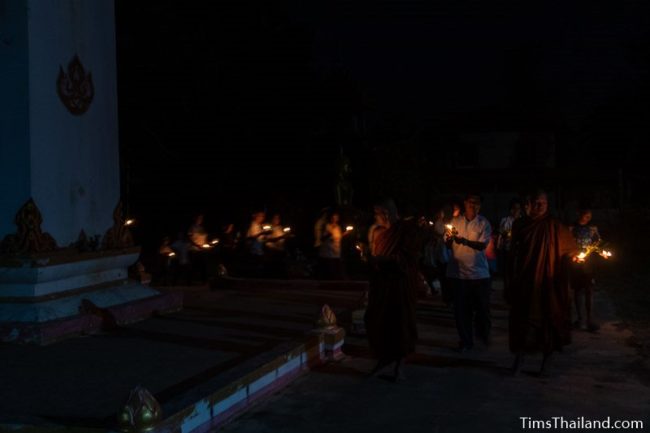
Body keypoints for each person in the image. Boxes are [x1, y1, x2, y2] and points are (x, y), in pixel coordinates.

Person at [505, 190, 579, 376]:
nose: (539, 206)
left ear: (547, 205)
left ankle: (546, 360)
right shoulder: (520, 225)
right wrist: (510, 279)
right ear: (529, 203)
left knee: (548, 319)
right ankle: (519, 359)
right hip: (525, 281)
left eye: (542, 203)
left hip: (548, 282)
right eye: (536, 203)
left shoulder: (554, 226)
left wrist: (574, 258)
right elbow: (512, 253)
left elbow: (570, 250)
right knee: (523, 320)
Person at [364, 199, 421, 381]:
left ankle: (399, 363)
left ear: (387, 214)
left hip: (400, 285)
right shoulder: (378, 233)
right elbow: (376, 255)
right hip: (382, 285)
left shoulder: (406, 230)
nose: (375, 217)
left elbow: (408, 258)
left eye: (377, 213)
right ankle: (383, 359)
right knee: (375, 318)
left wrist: (384, 260)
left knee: (400, 322)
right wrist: (370, 259)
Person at [445, 194, 493, 353]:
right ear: (465, 203)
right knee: (461, 311)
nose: (474, 205)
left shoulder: (483, 223)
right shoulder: (455, 221)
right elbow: (447, 243)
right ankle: (466, 341)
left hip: (479, 275)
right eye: (471, 202)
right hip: (458, 274)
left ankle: (483, 335)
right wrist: (449, 239)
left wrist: (464, 241)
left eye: (477, 203)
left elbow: (482, 246)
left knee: (482, 310)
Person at [569, 208, 601, 332]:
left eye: (589, 216)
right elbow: (567, 244)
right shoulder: (571, 228)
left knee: (589, 290)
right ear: (579, 214)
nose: (587, 218)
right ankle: (580, 319)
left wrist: (599, 249)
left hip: (589, 264)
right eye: (585, 215)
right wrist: (573, 255)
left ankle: (590, 320)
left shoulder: (592, 229)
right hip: (576, 263)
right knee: (577, 290)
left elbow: (598, 243)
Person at [317, 210, 349, 279]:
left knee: (337, 270)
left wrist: (345, 233)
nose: (335, 219)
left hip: (336, 252)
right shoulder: (327, 226)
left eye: (336, 217)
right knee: (330, 271)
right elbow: (322, 238)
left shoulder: (338, 227)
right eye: (333, 217)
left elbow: (338, 237)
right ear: (331, 218)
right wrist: (329, 235)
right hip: (328, 252)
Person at [496, 199, 522, 275]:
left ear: (520, 210)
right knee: (507, 270)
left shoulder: (523, 221)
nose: (515, 210)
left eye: (518, 208)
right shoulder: (505, 220)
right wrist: (498, 246)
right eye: (513, 208)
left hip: (519, 250)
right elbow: (500, 234)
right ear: (510, 209)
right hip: (507, 249)